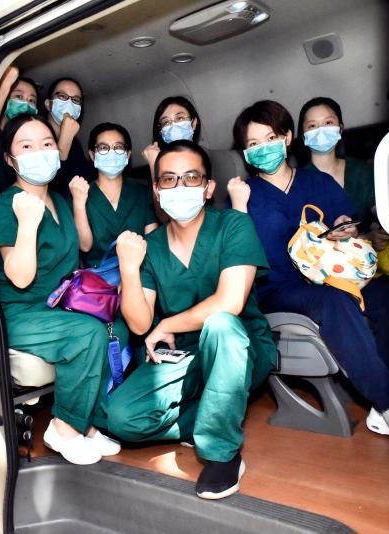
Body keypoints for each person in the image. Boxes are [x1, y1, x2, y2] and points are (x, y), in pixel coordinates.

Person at [98, 140, 277, 500]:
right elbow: (139, 324)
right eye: (169, 179)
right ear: (157, 190)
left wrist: (167, 325)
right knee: (121, 418)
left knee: (220, 324)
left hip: (237, 348)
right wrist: (129, 269)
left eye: (191, 178)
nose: (179, 187)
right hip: (183, 355)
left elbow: (229, 302)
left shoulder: (234, 225)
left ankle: (221, 452)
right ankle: (214, 412)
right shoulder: (151, 247)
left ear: (209, 188)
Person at [228, 100, 389, 443]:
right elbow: (236, 251)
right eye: (253, 144)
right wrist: (238, 204)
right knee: (334, 300)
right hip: (277, 288)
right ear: (245, 152)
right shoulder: (246, 193)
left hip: (330, 274)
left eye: (270, 138)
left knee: (388, 294)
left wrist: (344, 227)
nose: (263, 148)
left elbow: (348, 221)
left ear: (287, 138)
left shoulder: (317, 182)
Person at [0, 114, 128, 465]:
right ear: (10, 159)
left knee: (116, 326)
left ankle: (87, 422)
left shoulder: (58, 200)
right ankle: (63, 428)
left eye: (47, 143)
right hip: (18, 312)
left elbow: (82, 246)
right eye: (27, 146)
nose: (40, 152)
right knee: (87, 333)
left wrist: (77, 204)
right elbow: (20, 277)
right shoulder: (8, 204)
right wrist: (28, 224)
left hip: (56, 305)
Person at [295, 96, 389, 250]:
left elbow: (383, 213)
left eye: (328, 123)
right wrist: (363, 238)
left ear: (340, 128)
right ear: (303, 136)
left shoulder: (360, 171)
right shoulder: (297, 182)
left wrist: (377, 235)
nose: (321, 130)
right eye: (312, 126)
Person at [70, 122, 158, 268]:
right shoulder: (80, 193)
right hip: (98, 278)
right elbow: (84, 246)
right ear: (92, 155)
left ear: (127, 154)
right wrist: (79, 204)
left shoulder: (141, 192)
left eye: (118, 147)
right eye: (103, 148)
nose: (111, 153)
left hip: (140, 272)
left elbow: (153, 241)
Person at [0, 66, 39, 191]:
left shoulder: (34, 144)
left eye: (31, 100)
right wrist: (4, 87)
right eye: (18, 96)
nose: (26, 103)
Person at [44, 77, 94, 197]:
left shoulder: (75, 145)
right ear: (48, 104)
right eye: (62, 96)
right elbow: (49, 187)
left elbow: (86, 181)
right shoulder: (36, 138)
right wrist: (64, 141)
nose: (69, 103)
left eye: (75, 100)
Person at [141, 96, 203, 176]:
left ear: (194, 123)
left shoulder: (208, 159)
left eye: (180, 118)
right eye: (166, 122)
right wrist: (154, 164)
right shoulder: (151, 167)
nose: (173, 125)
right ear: (161, 132)